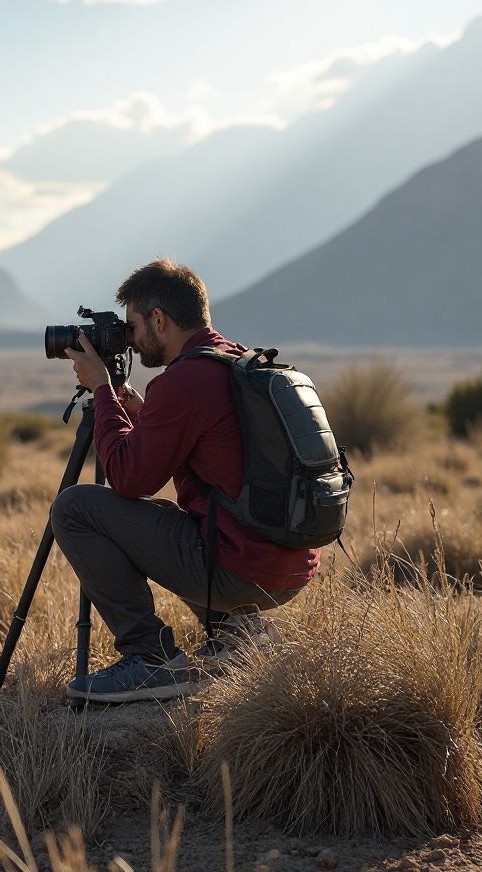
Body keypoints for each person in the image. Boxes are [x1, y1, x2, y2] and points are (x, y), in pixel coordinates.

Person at [51, 259, 317, 703]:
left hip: (241, 573)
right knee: (176, 517)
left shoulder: (184, 381)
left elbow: (127, 478)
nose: (130, 341)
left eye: (132, 326)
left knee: (74, 507)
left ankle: (151, 660)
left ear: (160, 319)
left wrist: (101, 389)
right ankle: (238, 633)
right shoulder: (235, 360)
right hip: (288, 567)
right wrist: (136, 410)